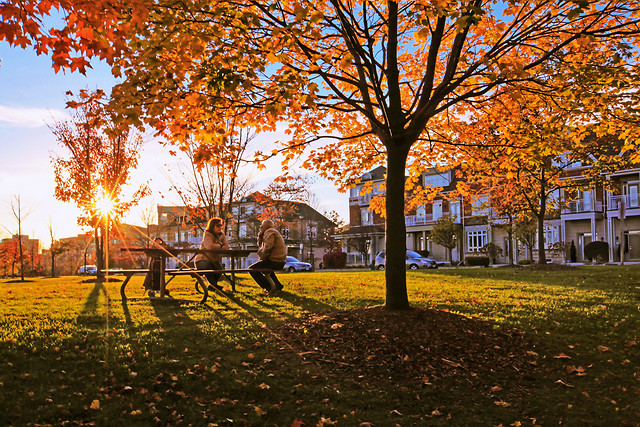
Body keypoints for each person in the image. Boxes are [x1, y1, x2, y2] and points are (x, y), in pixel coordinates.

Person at [250, 219, 287, 292]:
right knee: (266, 268)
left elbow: (268, 247)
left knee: (252, 269)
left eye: (262, 226)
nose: (260, 227)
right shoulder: (273, 232)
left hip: (275, 261)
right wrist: (260, 236)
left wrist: (262, 258)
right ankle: (278, 285)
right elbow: (261, 246)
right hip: (280, 261)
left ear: (266, 227)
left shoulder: (269, 232)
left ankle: (268, 287)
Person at [195, 217, 229, 292]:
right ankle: (214, 286)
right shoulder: (207, 234)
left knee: (219, 270)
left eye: (221, 225)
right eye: (218, 225)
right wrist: (220, 246)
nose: (220, 227)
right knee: (208, 268)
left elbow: (226, 246)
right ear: (212, 226)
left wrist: (218, 246)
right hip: (202, 260)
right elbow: (209, 246)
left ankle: (212, 286)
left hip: (213, 260)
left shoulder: (222, 235)